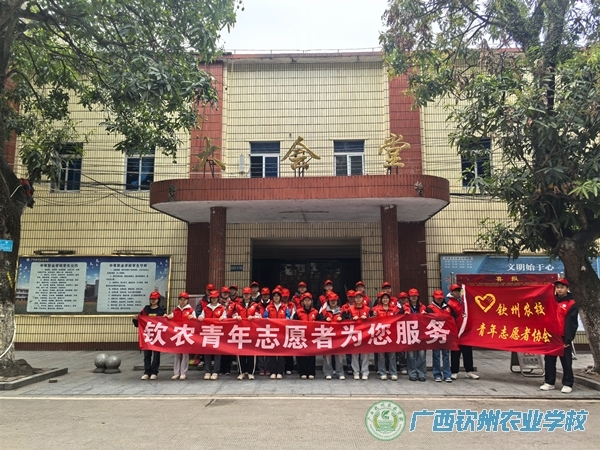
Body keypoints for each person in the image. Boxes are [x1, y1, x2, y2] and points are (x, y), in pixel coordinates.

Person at [540, 278, 579, 393]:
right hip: (551, 336)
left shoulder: (571, 303)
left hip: (563, 337)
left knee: (566, 361)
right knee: (549, 360)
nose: (559, 289)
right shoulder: (551, 300)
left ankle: (568, 383)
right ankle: (549, 382)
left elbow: (572, 323)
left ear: (567, 288)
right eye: (557, 287)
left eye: (562, 287)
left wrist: (568, 339)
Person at [446, 284, 480, 380]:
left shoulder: (463, 301)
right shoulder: (450, 303)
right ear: (452, 292)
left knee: (467, 352)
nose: (458, 292)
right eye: (455, 291)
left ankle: (469, 371)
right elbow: (450, 319)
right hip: (456, 331)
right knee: (455, 352)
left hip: (466, 331)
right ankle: (454, 371)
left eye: (458, 291)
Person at [165, 292, 196, 380]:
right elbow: (170, 317)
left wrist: (193, 317)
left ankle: (183, 372)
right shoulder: (175, 310)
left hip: (186, 334)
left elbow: (196, 320)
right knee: (177, 354)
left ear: (187, 301)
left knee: (185, 354)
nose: (182, 301)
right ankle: (176, 373)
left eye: (184, 300)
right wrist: (167, 317)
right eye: (181, 299)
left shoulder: (191, 310)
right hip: (177, 334)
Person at [198, 290, 227, 380]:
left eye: (215, 298)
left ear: (218, 298)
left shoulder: (222, 308)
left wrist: (223, 318)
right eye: (212, 298)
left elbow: (225, 317)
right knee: (207, 353)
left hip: (217, 333)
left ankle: (215, 371)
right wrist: (200, 317)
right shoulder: (206, 308)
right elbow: (201, 316)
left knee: (217, 353)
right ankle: (207, 371)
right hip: (208, 332)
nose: (214, 299)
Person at [372, 292, 400, 380]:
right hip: (380, 335)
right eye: (383, 298)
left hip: (391, 335)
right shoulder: (376, 309)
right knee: (381, 355)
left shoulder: (394, 309)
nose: (385, 300)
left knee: (392, 355)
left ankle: (393, 373)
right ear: (380, 300)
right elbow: (372, 321)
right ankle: (382, 372)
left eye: (387, 298)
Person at [230, 287, 257, 380]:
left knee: (251, 353)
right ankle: (241, 372)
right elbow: (233, 315)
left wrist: (253, 317)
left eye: (248, 294)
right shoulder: (237, 305)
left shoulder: (255, 305)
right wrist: (236, 317)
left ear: (250, 295)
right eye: (245, 294)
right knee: (240, 352)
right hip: (240, 331)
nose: (246, 296)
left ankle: (250, 372)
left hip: (252, 332)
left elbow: (259, 316)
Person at [317, 292, 345, 380]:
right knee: (327, 356)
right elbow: (318, 320)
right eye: (331, 300)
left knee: (339, 356)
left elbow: (348, 319)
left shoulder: (342, 311)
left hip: (339, 337)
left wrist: (342, 319)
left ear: (337, 301)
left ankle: (340, 372)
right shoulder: (324, 311)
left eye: (335, 300)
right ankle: (328, 372)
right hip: (327, 337)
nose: (333, 302)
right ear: (328, 301)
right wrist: (325, 319)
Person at [343, 291, 371, 380]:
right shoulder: (350, 309)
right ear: (354, 299)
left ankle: (365, 372)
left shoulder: (367, 309)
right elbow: (345, 320)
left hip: (365, 334)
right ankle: (356, 372)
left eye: (360, 297)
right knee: (354, 354)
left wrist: (367, 319)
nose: (358, 299)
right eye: (357, 297)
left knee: (365, 354)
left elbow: (373, 320)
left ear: (363, 298)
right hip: (354, 334)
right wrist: (352, 319)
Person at [426, 290, 453, 383]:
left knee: (446, 355)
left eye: (441, 298)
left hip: (445, 334)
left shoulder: (448, 307)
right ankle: (437, 374)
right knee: (436, 355)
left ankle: (447, 374)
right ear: (434, 298)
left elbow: (452, 319)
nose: (439, 299)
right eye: (437, 298)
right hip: (435, 334)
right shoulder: (429, 308)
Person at [139, 290, 166, 380]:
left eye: (155, 299)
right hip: (147, 335)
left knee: (156, 355)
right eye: (151, 299)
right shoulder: (145, 309)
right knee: (147, 355)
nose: (153, 300)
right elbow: (139, 321)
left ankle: (154, 372)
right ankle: (147, 372)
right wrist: (136, 319)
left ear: (158, 300)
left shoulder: (161, 310)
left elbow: (165, 323)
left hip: (157, 335)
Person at [264, 288, 290, 379]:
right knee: (272, 353)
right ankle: (273, 371)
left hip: (282, 333)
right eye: (274, 296)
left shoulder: (285, 307)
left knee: (281, 353)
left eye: (278, 296)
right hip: (272, 332)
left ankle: (280, 371)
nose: (276, 297)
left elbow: (288, 318)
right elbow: (265, 318)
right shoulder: (268, 308)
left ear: (280, 297)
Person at [403, 288, 427, 381]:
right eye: (412, 296)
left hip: (421, 334)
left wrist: (426, 315)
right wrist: (404, 315)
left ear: (418, 297)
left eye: (415, 296)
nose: (414, 298)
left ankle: (421, 374)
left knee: (421, 355)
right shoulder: (404, 307)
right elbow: (397, 317)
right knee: (411, 355)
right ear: (409, 297)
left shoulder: (423, 307)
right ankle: (412, 373)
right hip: (410, 334)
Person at [293, 293, 318, 379]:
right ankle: (302, 372)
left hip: (312, 337)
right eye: (305, 300)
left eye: (309, 300)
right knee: (301, 354)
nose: (307, 302)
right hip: (301, 336)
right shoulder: (298, 312)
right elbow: (293, 322)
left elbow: (321, 321)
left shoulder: (315, 312)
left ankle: (311, 372)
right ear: (303, 302)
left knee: (311, 355)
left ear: (311, 301)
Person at [249, 287, 271, 375]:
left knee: (269, 348)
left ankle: (268, 368)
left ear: (269, 295)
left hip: (270, 329)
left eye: (267, 295)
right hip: (258, 328)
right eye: (264, 295)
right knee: (259, 348)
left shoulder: (271, 305)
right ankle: (261, 368)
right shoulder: (257, 305)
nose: (265, 296)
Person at [281, 288, 296, 375]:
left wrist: (288, 321)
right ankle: (282, 367)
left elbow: (293, 315)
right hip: (280, 328)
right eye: (284, 296)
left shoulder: (292, 305)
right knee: (281, 348)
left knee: (289, 347)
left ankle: (289, 367)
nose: (285, 298)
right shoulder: (280, 304)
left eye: (286, 296)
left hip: (289, 327)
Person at [396, 291, 409, 375]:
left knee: (409, 350)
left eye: (404, 298)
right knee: (401, 349)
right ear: (399, 299)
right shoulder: (395, 307)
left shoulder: (410, 306)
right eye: (402, 298)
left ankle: (409, 365)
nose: (403, 300)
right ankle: (402, 366)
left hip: (410, 329)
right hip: (399, 329)